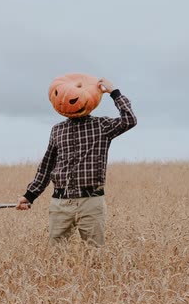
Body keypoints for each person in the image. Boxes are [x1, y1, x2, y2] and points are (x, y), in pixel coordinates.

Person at [16, 78, 137, 246]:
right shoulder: (57, 130)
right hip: (60, 203)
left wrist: (114, 93)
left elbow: (129, 120)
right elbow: (47, 165)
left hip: (91, 202)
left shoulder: (101, 126)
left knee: (95, 253)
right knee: (55, 256)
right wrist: (29, 196)